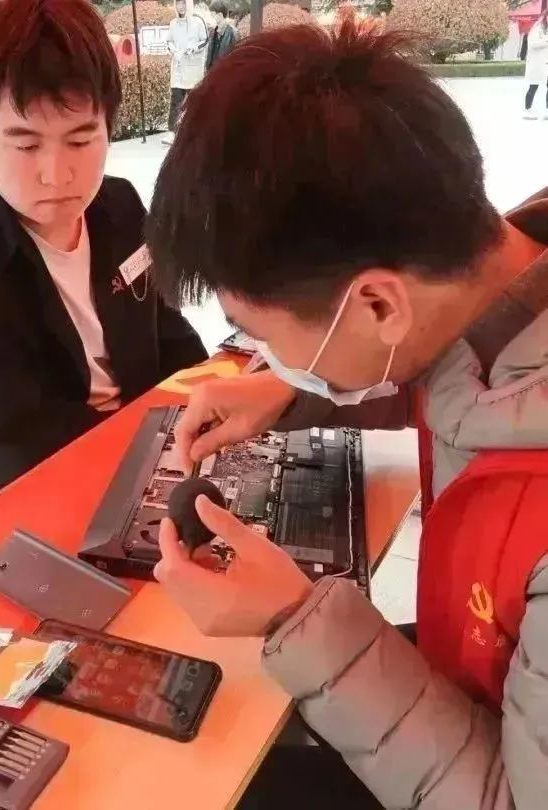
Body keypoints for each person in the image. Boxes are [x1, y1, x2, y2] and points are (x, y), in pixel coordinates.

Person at [145, 18, 548, 810]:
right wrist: (288, 388)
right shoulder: (496, 278)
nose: (260, 355)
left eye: (260, 336)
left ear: (377, 304)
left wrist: (295, 615)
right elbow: (456, 374)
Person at [0, 0, 207, 528]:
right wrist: (153, 450)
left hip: (139, 436)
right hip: (9, 477)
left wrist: (208, 406)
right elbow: (20, 445)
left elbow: (172, 338)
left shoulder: (120, 207)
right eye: (26, 144)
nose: (57, 174)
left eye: (81, 139)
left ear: (109, 127)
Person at [162, 0, 208, 145]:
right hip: (178, 67)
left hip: (193, 67)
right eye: (178, 3)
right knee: (176, 100)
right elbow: (169, 41)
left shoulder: (198, 22)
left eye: (183, 3)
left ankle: (199, 131)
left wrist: (193, 48)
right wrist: (173, 49)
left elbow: (205, 40)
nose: (180, 7)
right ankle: (172, 132)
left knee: (195, 101)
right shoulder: (173, 24)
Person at [523, 13, 548, 119]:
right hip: (537, 64)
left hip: (545, 63)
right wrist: (546, 40)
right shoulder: (537, 28)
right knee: (533, 86)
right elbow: (532, 44)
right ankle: (527, 109)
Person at [205, 0, 238, 71]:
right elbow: (210, 54)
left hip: (225, 71)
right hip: (212, 71)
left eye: (212, 14)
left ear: (220, 15)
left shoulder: (233, 32)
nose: (211, 17)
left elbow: (236, 56)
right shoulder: (213, 31)